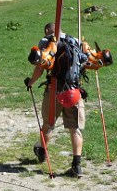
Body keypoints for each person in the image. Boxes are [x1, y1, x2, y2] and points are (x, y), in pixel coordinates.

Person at [25, 22, 85, 178]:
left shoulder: (46, 42)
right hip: (74, 90)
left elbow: (40, 66)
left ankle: (42, 152)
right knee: (75, 128)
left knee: (48, 124)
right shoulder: (75, 41)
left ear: (47, 31)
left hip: (54, 90)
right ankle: (77, 166)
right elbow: (83, 63)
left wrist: (31, 82)